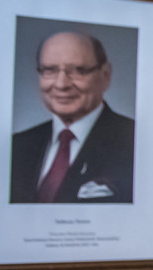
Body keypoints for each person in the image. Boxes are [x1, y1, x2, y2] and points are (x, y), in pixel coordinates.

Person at [10, 30, 134, 204]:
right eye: (50, 70)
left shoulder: (135, 141)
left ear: (106, 76)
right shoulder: (17, 146)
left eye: (79, 71)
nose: (62, 84)